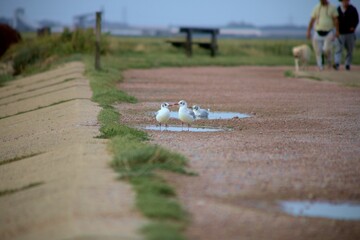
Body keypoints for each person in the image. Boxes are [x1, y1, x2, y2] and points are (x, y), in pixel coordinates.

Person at [307, 0, 340, 70]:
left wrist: (337, 31)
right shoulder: (317, 7)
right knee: (318, 50)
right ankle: (320, 65)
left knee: (326, 49)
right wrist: (308, 31)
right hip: (318, 31)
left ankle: (329, 61)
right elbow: (312, 20)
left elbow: (336, 20)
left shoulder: (332, 8)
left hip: (328, 31)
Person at [334, 0, 359, 71]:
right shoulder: (338, 9)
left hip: (349, 33)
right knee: (338, 48)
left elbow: (356, 19)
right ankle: (337, 63)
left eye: (347, 1)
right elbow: (335, 20)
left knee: (349, 49)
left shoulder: (352, 9)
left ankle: (347, 64)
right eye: (344, 1)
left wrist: (353, 26)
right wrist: (337, 31)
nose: (345, 2)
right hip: (340, 33)